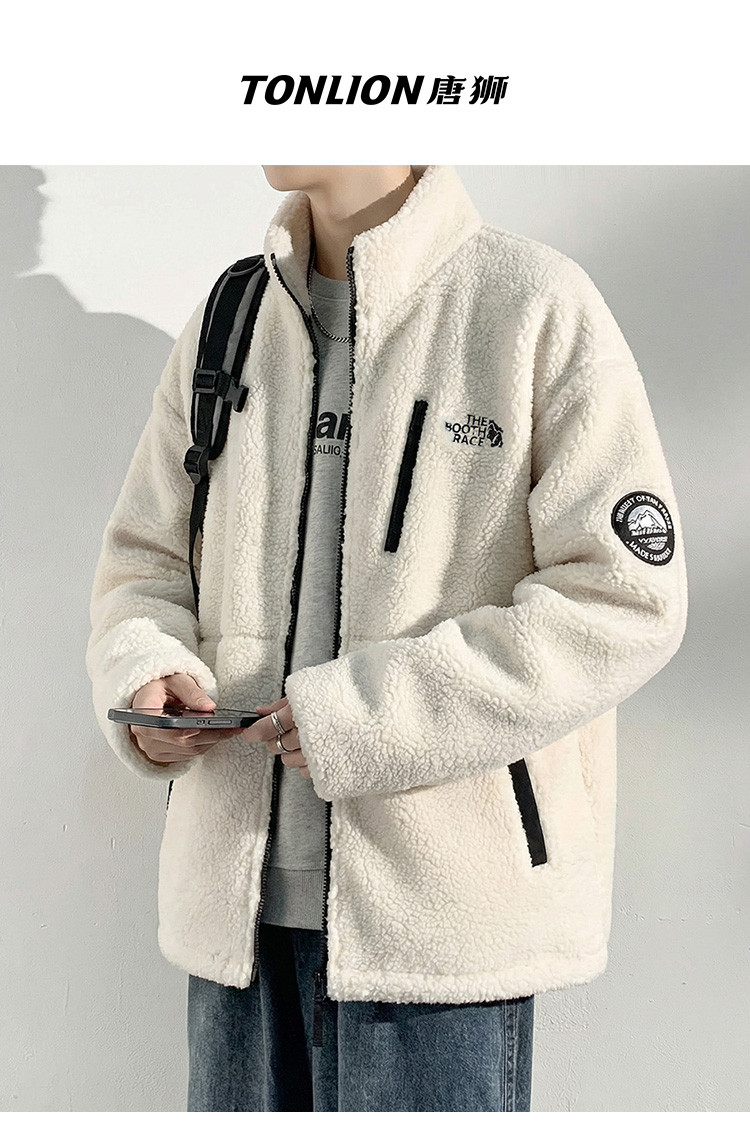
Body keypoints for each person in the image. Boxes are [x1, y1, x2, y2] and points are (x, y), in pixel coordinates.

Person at [86, 165, 688, 1112]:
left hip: (437, 938)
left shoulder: (530, 305)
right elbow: (144, 561)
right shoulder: (230, 316)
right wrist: (147, 672)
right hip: (236, 928)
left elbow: (625, 597)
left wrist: (362, 717)